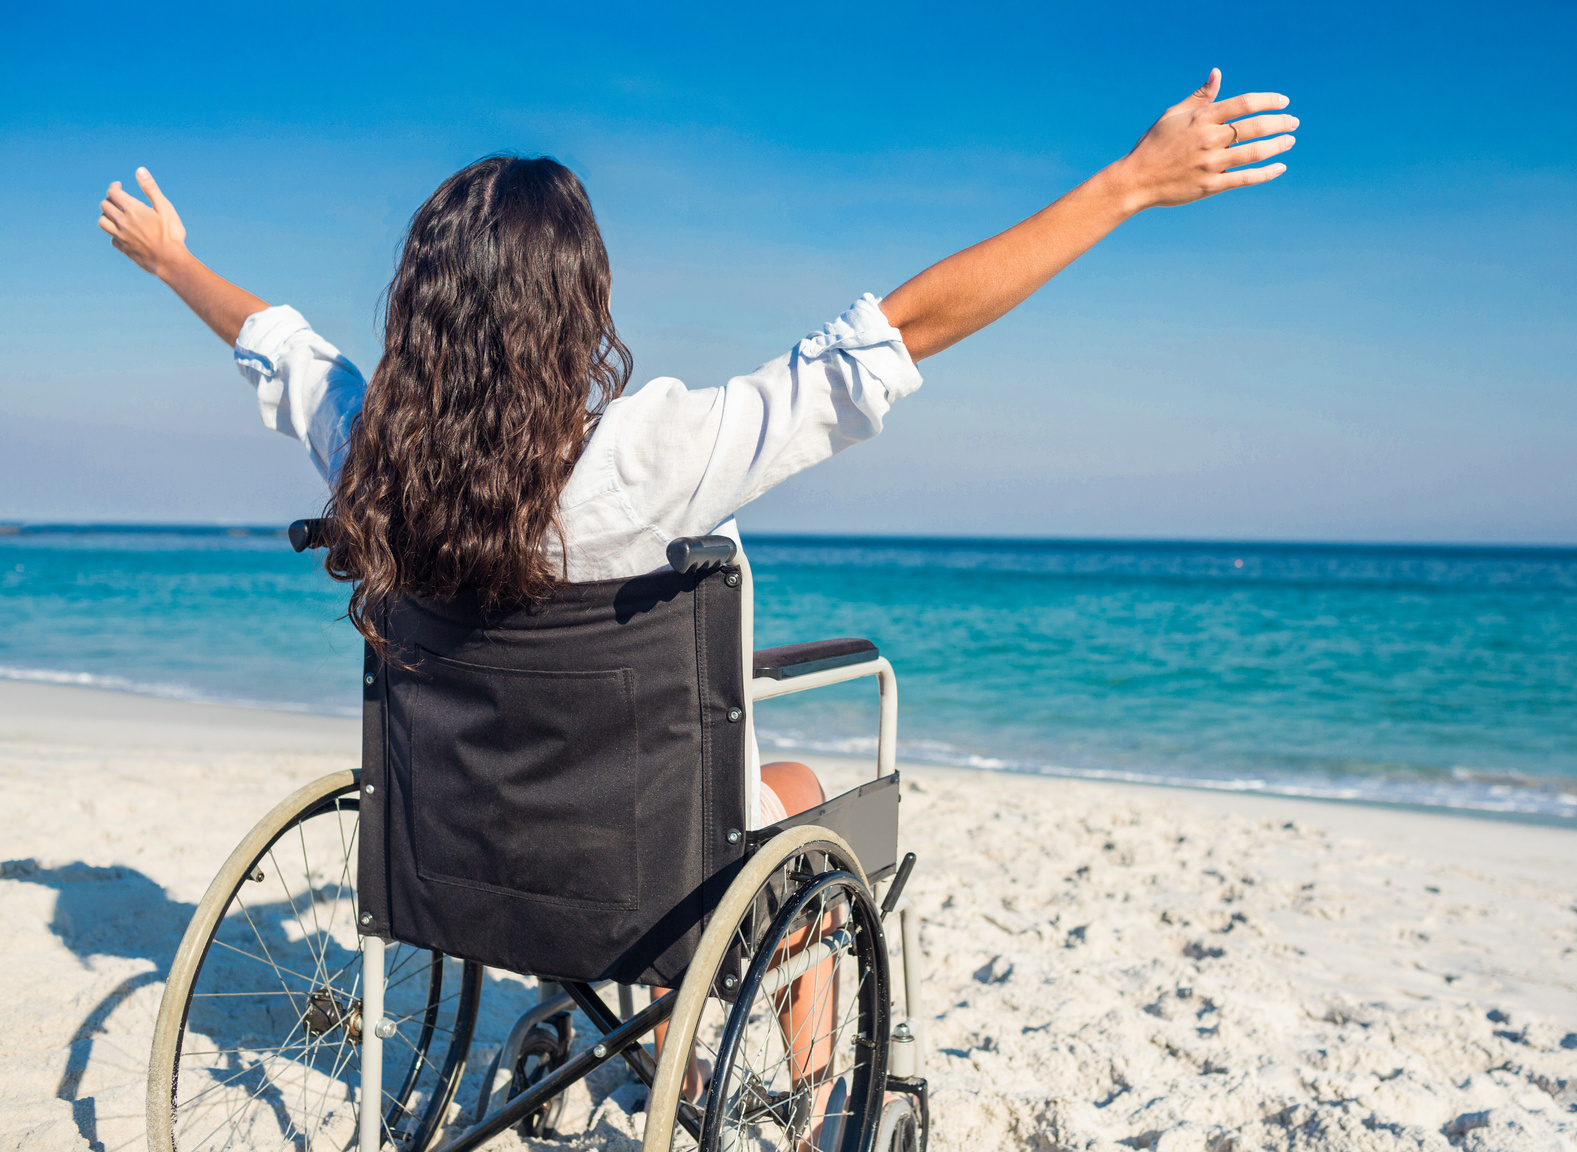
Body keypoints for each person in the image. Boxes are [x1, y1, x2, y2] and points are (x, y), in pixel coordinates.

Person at [100, 67, 1293, 1136]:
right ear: (578, 304)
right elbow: (899, 334)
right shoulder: (650, 455)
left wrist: (169, 262)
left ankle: (671, 1027)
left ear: (423, 307)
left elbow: (276, 344)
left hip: (453, 865)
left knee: (680, 784)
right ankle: (815, 1096)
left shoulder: (373, 455)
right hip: (651, 876)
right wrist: (1126, 186)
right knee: (807, 798)